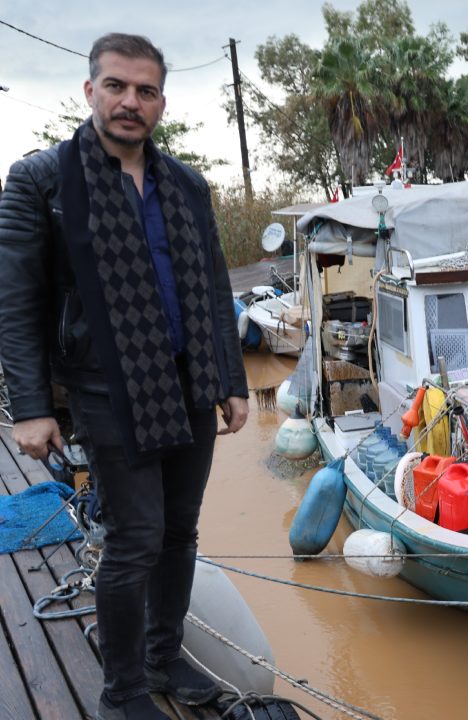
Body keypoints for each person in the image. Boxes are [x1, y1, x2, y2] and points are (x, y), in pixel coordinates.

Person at [0, 33, 248, 719]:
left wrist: (230, 379)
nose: (130, 101)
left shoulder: (187, 184)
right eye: (116, 86)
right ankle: (123, 692)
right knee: (136, 537)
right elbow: (15, 299)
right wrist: (29, 406)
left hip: (188, 380)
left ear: (162, 102)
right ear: (90, 91)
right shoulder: (43, 180)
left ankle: (165, 660)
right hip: (104, 386)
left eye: (145, 90)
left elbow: (212, 283)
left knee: (181, 532)